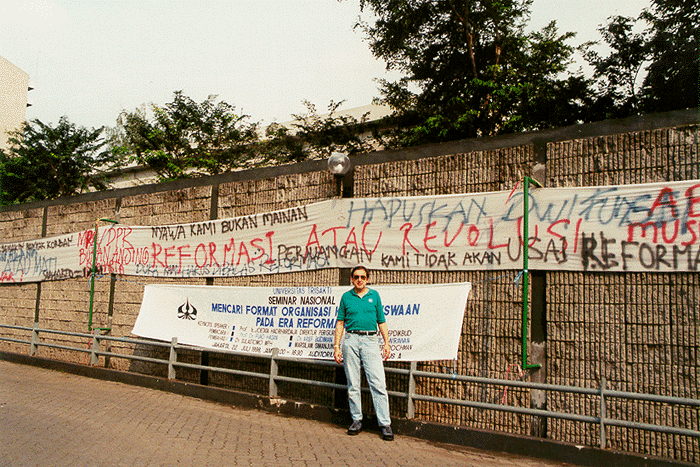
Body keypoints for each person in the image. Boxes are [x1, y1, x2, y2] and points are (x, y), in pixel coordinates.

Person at [333, 265, 393, 441]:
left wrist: (387, 343)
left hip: (370, 341)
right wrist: (337, 346)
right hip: (350, 340)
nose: (360, 280)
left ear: (367, 279)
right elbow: (340, 323)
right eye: (356, 277)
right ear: (352, 279)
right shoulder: (346, 297)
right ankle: (356, 420)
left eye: (363, 277)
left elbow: (381, 321)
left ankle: (385, 424)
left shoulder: (374, 296)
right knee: (353, 383)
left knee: (378, 383)